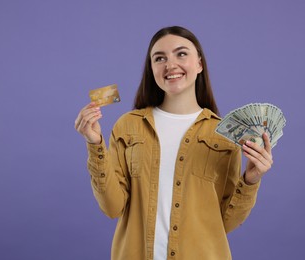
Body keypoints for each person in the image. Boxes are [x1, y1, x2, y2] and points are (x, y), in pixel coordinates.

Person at [74, 26, 273, 260]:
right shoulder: (127, 126)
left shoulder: (224, 134)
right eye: (159, 58)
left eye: (181, 54)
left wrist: (251, 179)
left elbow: (226, 222)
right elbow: (112, 207)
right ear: (152, 69)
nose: (170, 64)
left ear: (199, 64)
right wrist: (95, 143)